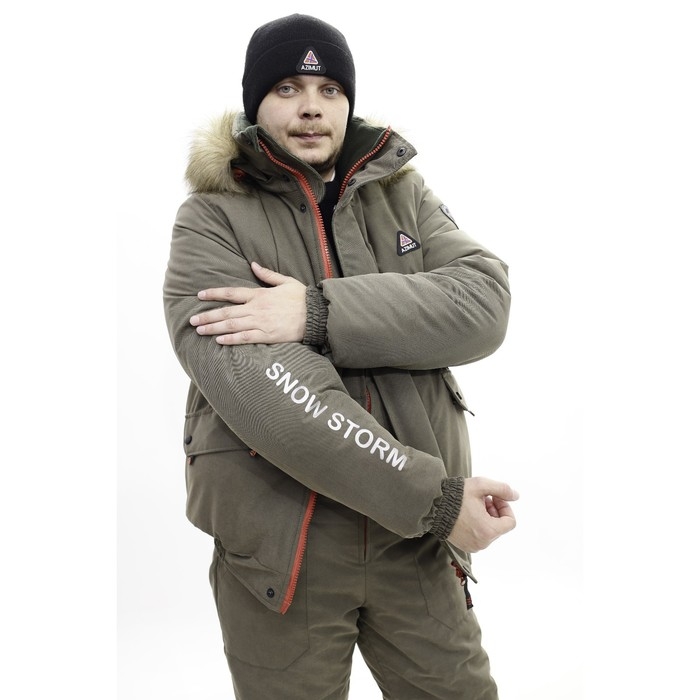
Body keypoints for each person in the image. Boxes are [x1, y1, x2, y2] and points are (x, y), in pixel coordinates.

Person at [163, 13, 518, 699]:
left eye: (329, 89)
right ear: (255, 103)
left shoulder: (402, 193)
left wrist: (317, 311)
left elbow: (483, 304)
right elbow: (272, 397)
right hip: (284, 550)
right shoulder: (210, 219)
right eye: (288, 88)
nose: (311, 107)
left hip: (414, 546)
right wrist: (435, 501)